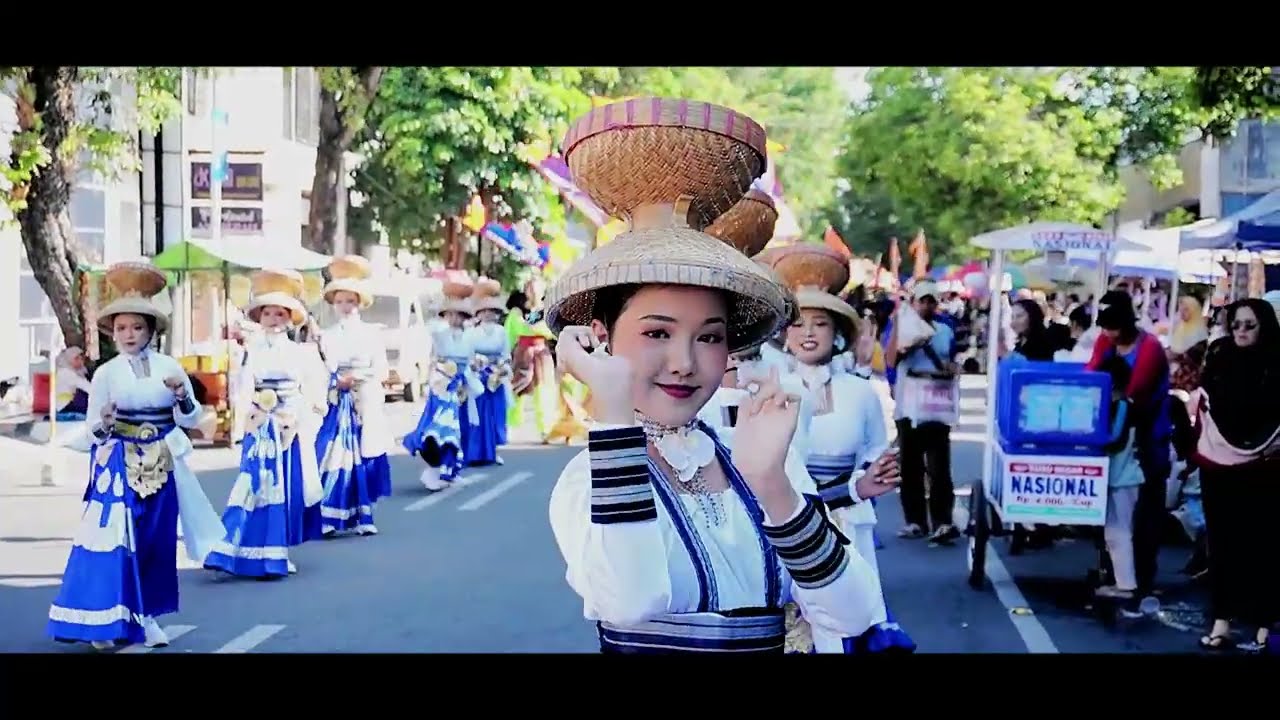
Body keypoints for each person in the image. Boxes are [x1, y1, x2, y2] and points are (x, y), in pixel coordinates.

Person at [545, 97, 892, 654]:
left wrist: (771, 484)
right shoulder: (587, 478)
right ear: (601, 335)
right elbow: (631, 601)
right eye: (657, 333)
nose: (685, 361)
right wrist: (612, 413)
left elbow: (857, 614)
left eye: (709, 336)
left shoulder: (758, 458)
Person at [47, 260, 224, 649]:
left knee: (156, 541)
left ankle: (148, 616)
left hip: (162, 460)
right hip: (119, 465)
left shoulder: (169, 366)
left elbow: (191, 417)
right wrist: (106, 422)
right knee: (114, 542)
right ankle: (105, 618)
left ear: (151, 330)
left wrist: (182, 396)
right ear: (112, 332)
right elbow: (92, 430)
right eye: (122, 327)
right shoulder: (107, 373)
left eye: (137, 327)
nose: (129, 334)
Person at [766, 243, 915, 654]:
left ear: (837, 336)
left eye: (820, 324)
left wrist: (870, 477)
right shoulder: (770, 389)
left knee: (848, 628)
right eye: (798, 324)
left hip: (848, 523)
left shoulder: (860, 392)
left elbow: (876, 450)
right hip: (787, 527)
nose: (808, 333)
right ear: (784, 335)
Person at [203, 269, 328, 578]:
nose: (273, 319)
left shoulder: (301, 353)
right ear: (259, 317)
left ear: (290, 318)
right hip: (260, 423)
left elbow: (313, 389)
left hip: (289, 424)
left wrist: (299, 418)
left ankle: (277, 549)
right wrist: (248, 417)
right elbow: (243, 388)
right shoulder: (251, 352)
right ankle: (232, 546)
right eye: (268, 313)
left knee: (286, 488)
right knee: (252, 485)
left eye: (280, 313)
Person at [1193, 298, 1280, 653]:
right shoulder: (1220, 355)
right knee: (1222, 544)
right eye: (1236, 324)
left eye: (1249, 325)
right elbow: (1205, 396)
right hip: (1218, 465)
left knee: (1262, 545)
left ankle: (1263, 623)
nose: (1241, 331)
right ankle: (1222, 621)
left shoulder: (1276, 361)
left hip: (1264, 468)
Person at [1085, 289, 1172, 599]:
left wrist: (1115, 405)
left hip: (1148, 441)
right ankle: (1118, 575)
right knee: (1116, 519)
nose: (1108, 333)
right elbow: (1092, 375)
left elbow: (1135, 394)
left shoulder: (1150, 349)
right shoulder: (1105, 342)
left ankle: (1138, 581)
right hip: (1122, 443)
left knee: (1141, 517)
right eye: (1105, 326)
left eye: (1113, 326)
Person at [315, 255, 393, 536]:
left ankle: (364, 515)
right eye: (340, 301)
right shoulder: (326, 336)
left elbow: (382, 370)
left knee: (364, 456)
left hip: (364, 399)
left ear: (359, 303)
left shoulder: (372, 334)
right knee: (334, 456)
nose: (345, 306)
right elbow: (320, 370)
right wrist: (334, 383)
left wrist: (357, 379)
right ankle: (329, 514)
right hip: (337, 402)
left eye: (350, 301)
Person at [886, 280, 961, 545]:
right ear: (913, 303)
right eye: (923, 300)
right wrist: (904, 337)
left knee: (939, 467)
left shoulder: (945, 329)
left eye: (931, 301)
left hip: (937, 405)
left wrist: (951, 369)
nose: (927, 305)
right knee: (911, 466)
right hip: (909, 406)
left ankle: (943, 521)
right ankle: (915, 521)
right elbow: (890, 360)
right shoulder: (900, 325)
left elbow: (952, 361)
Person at [404, 280, 481, 490]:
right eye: (451, 314)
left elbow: (471, 362)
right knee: (438, 430)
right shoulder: (437, 334)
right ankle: (433, 470)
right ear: (445, 315)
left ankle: (452, 470)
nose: (455, 319)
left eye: (460, 315)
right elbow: (430, 359)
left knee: (460, 430)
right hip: (442, 388)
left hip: (461, 389)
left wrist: (471, 374)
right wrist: (438, 378)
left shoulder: (469, 338)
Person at [1095, 356, 1144, 601]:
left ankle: (1125, 586)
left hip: (1124, 479)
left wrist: (1093, 441)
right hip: (1120, 478)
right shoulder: (1120, 405)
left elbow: (1115, 440)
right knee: (1115, 532)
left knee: (1119, 533)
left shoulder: (1123, 405)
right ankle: (1121, 582)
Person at [463, 278, 512, 465]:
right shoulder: (472, 333)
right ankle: (476, 452)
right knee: (478, 414)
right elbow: (468, 355)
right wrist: (475, 366)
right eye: (485, 311)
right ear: (479, 313)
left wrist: (503, 368)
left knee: (495, 414)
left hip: (496, 377)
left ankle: (493, 450)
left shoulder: (501, 332)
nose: (488, 314)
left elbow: (506, 354)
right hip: (479, 376)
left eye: (492, 311)